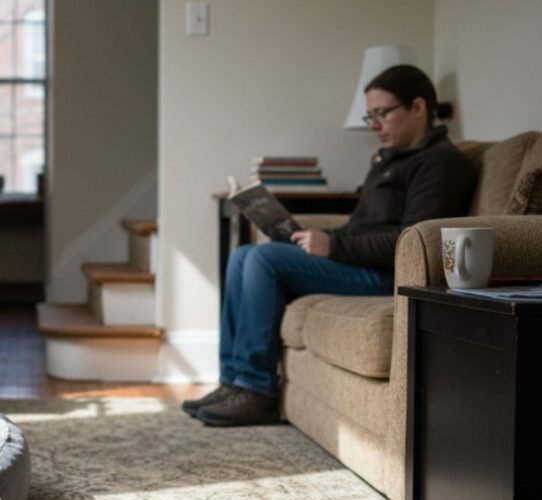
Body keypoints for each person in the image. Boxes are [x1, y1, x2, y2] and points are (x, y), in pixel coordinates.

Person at [183, 64, 477, 427]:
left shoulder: (441, 164)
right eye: (371, 116)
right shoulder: (387, 161)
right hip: (360, 264)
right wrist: (315, 238)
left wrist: (333, 248)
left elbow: (413, 241)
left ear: (418, 108)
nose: (375, 125)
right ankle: (232, 381)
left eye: (383, 113)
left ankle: (256, 390)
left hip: (387, 275)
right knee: (244, 255)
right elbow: (361, 227)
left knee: (263, 260)